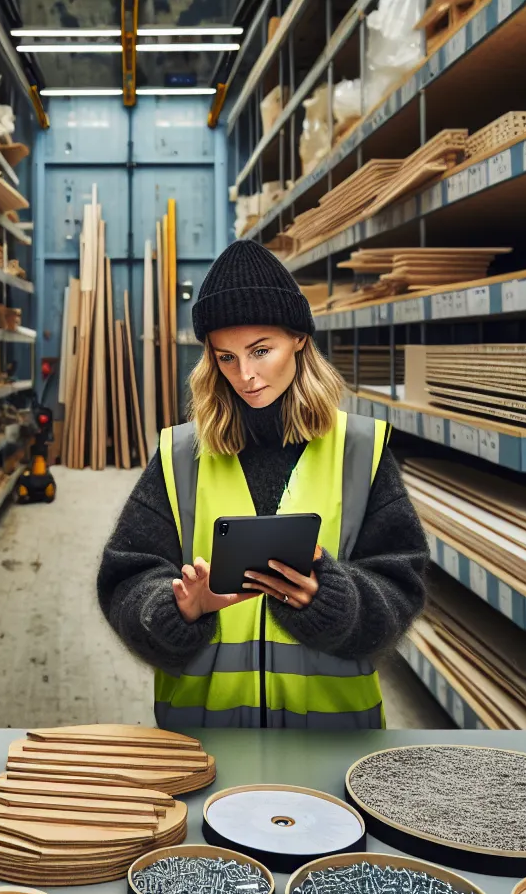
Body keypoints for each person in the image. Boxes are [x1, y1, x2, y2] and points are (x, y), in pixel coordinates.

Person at [96, 239, 429, 728]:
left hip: (333, 742)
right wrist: (178, 607)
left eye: (260, 351)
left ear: (298, 338)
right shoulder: (181, 455)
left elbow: (401, 586)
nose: (245, 376)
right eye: (226, 358)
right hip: (206, 743)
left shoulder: (358, 450)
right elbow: (124, 579)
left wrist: (331, 600)